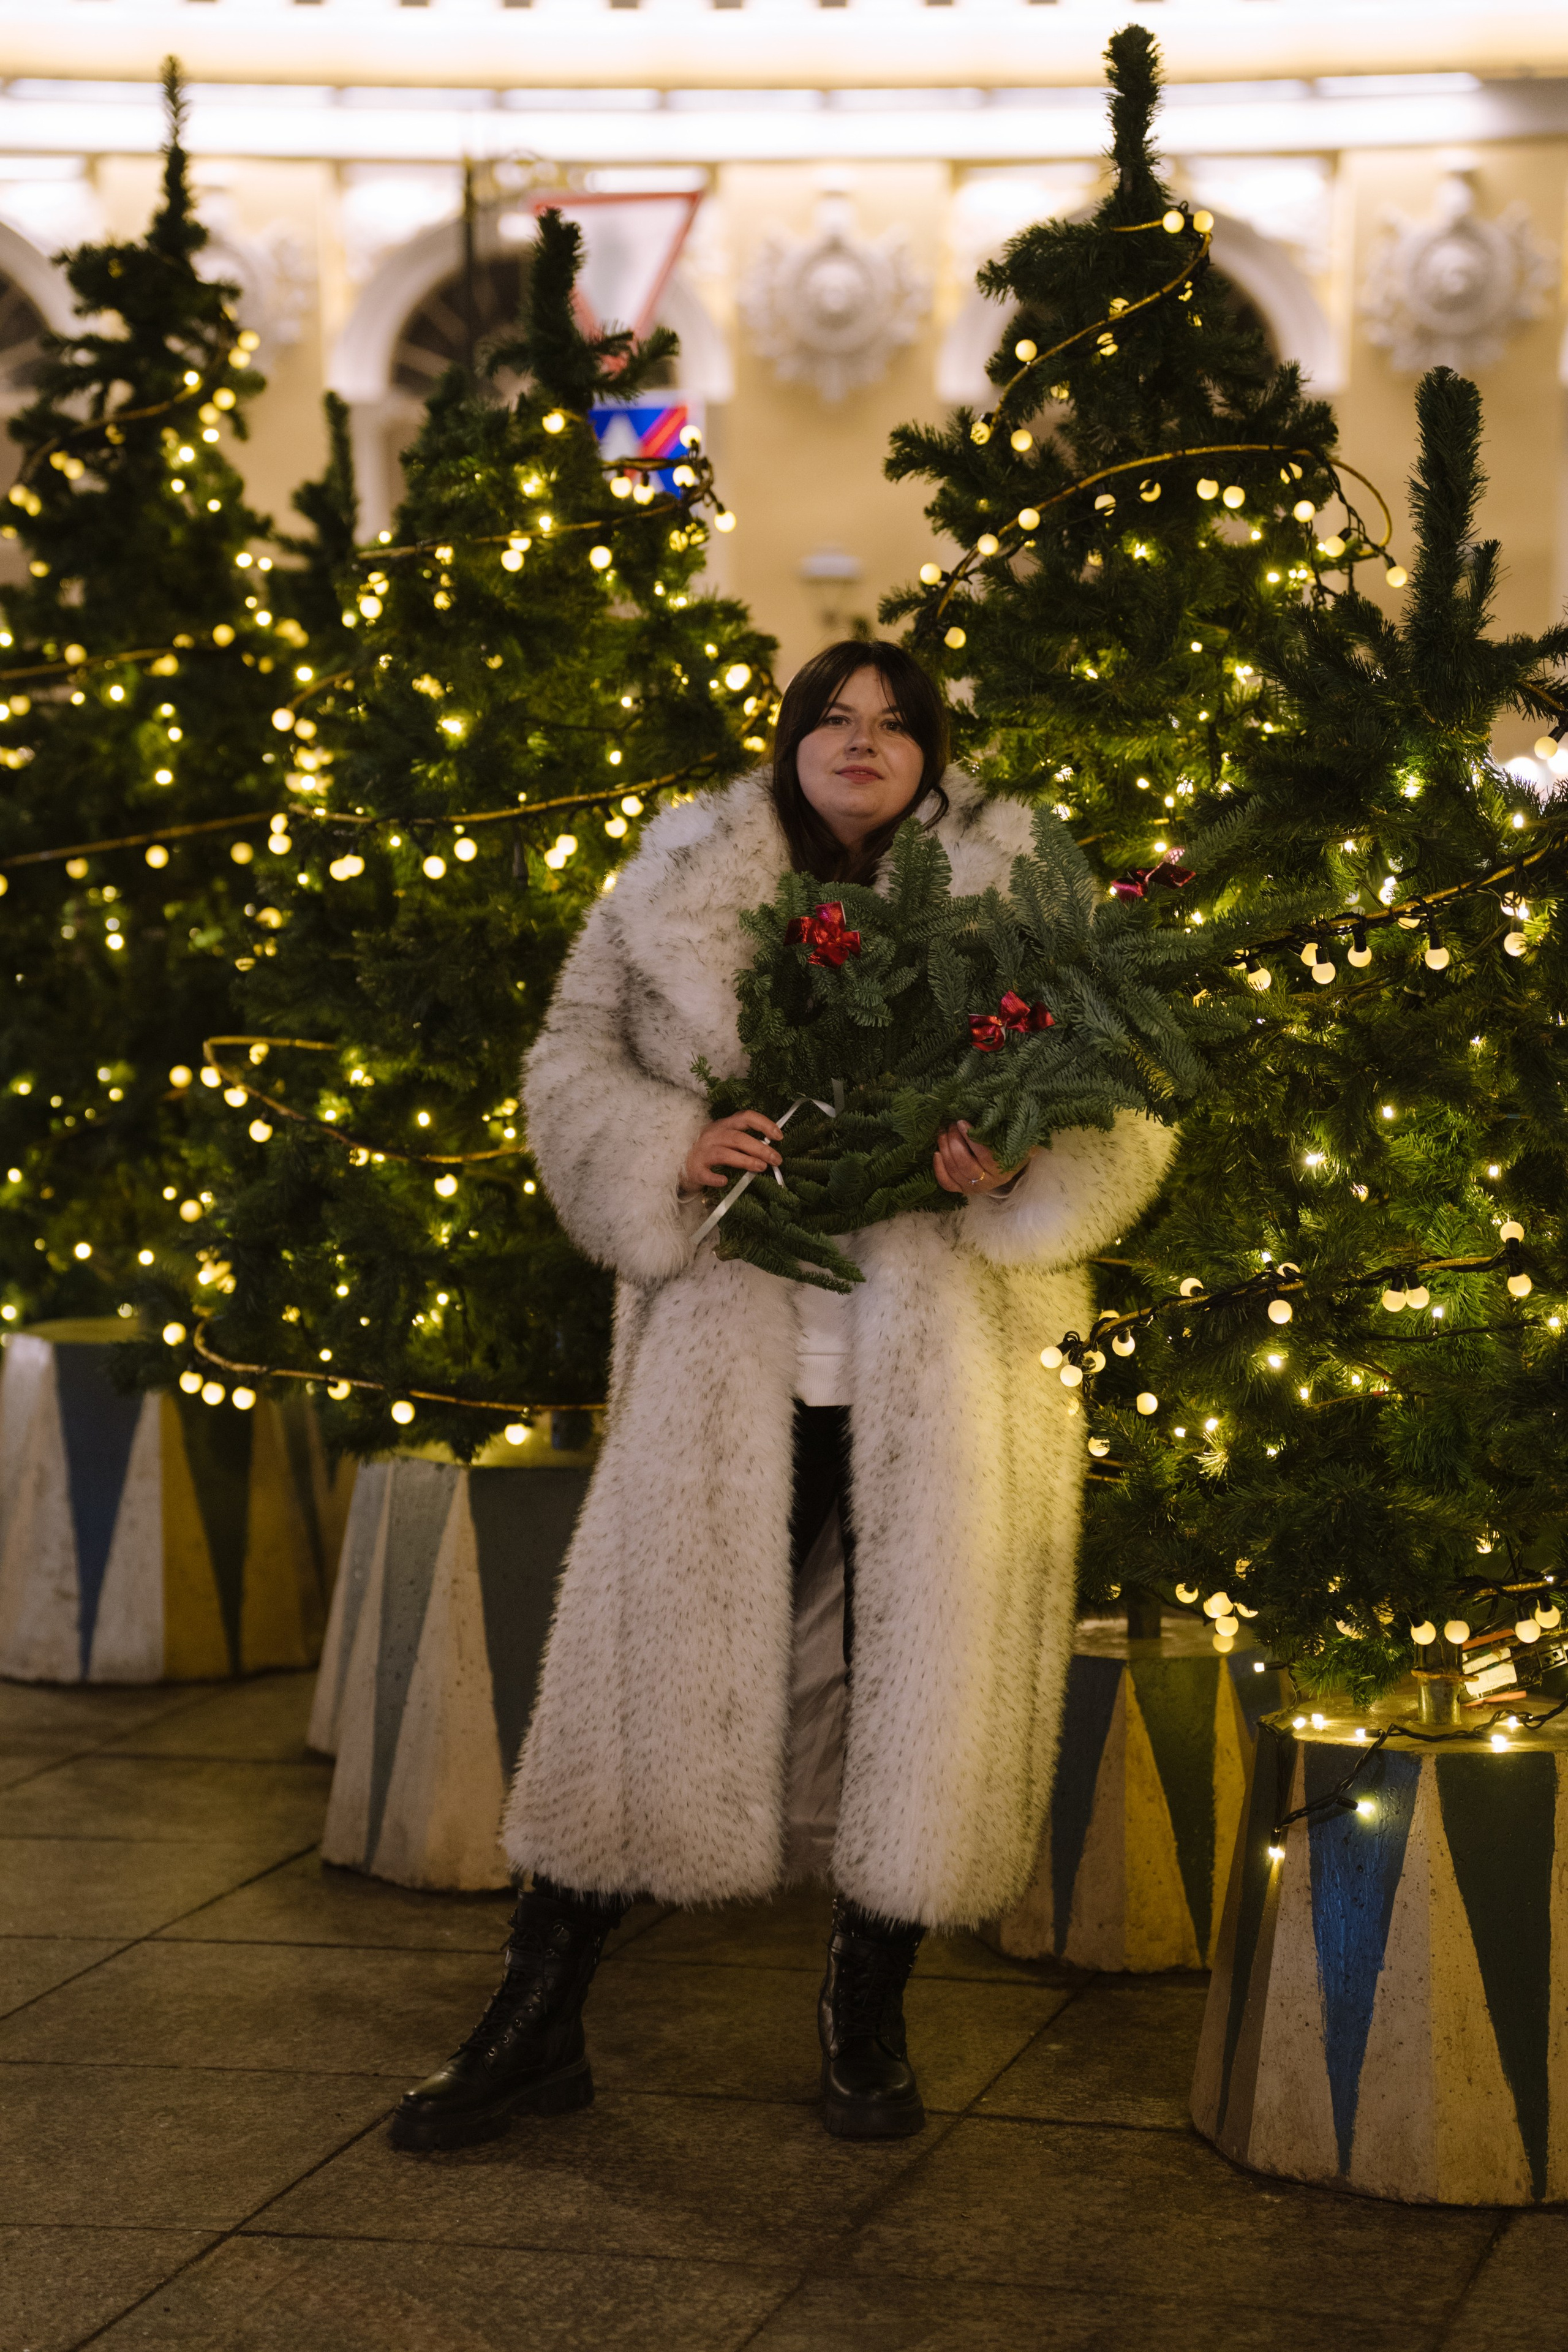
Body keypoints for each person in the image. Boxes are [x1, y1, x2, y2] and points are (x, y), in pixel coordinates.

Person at [391, 640, 1173, 2154]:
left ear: (931, 752)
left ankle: (863, 2017)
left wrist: (1016, 1161)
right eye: (835, 717)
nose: (863, 742)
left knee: (914, 1697)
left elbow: (1124, 1106)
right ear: (791, 738)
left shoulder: (1020, 889)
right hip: (723, 1362)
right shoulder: (678, 884)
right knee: (648, 1671)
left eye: (895, 724)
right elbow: (568, 1062)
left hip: (940, 1368)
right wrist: (666, 1143)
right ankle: (533, 2018)